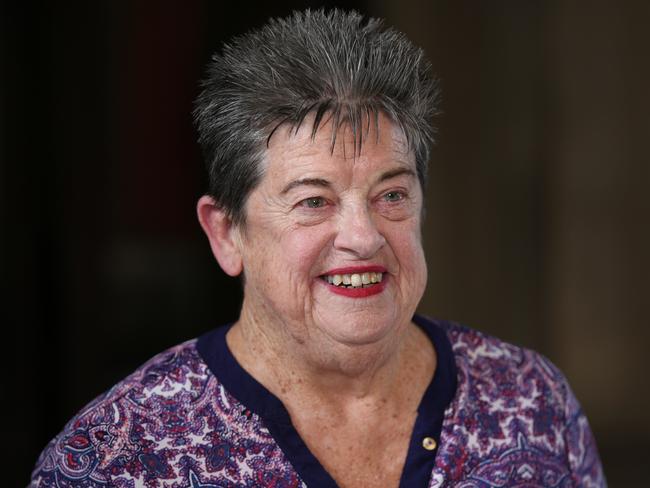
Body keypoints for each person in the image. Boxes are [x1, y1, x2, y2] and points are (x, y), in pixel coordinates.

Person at [30, 9, 606, 487]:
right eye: (313, 201)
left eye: (392, 194)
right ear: (226, 233)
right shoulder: (119, 457)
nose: (363, 236)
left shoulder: (531, 401)